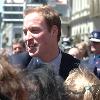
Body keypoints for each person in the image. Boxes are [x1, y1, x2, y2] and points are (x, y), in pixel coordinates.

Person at [23, 5, 80, 80]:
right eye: (25, 32)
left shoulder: (80, 70)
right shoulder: (16, 67)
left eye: (34, 30)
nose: (27, 38)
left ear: (54, 31)